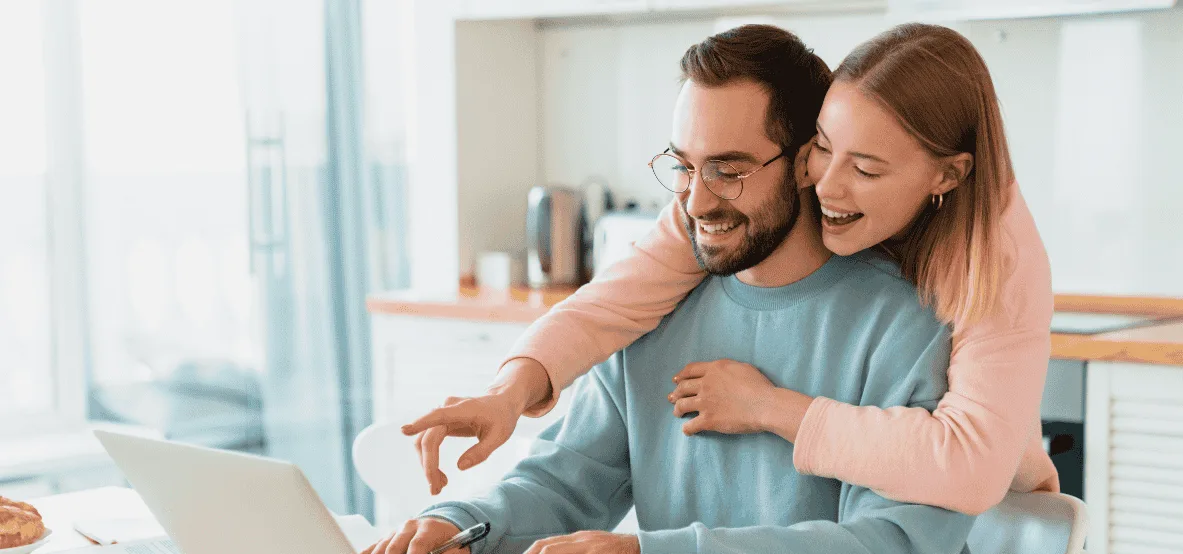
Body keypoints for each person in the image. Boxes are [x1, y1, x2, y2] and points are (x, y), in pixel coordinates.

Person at [362, 25, 993, 554]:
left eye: (729, 168)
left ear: (808, 161)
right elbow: (564, 482)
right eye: (684, 166)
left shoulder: (911, 323)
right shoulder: (656, 307)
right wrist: (462, 525)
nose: (695, 201)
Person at [402, 22, 1059, 514]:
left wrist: (772, 408)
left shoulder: (994, 261)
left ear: (947, 174)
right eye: (823, 151)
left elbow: (970, 467)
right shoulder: (731, 204)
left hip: (984, 523)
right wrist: (508, 394)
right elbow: (611, 303)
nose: (825, 186)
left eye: (864, 169)